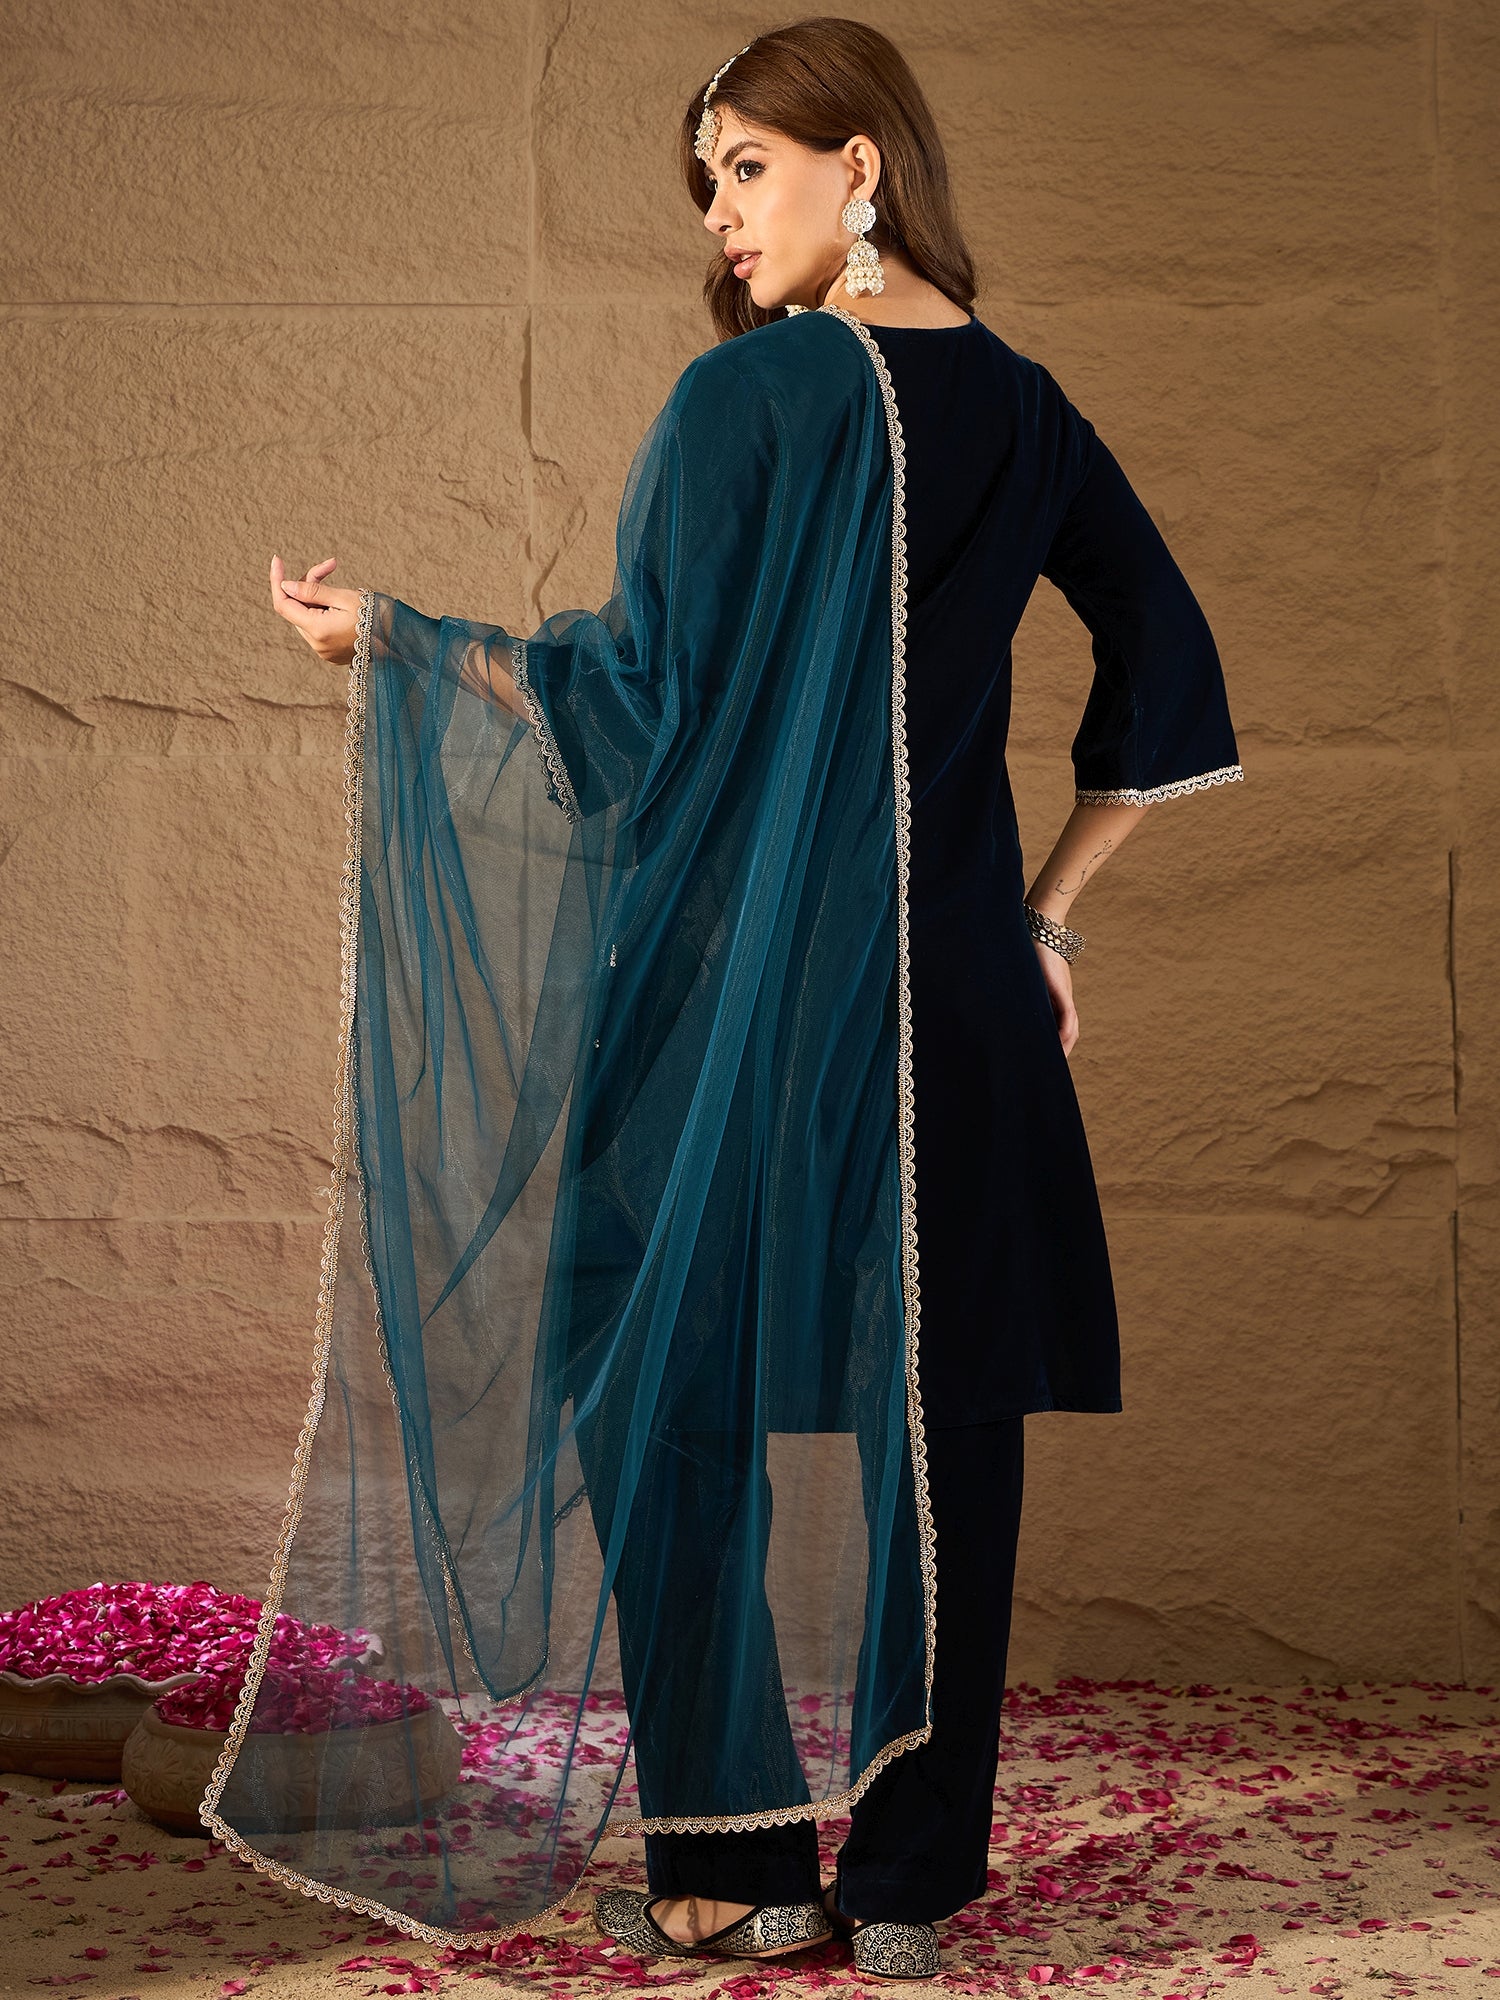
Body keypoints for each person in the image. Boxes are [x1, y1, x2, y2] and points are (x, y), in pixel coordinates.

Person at [206, 18, 1242, 1985]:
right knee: (947, 1407)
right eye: (708, 182)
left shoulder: (747, 399)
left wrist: (399, 641)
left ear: (863, 164)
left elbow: (637, 711)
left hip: (741, 996)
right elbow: (1171, 668)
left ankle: (735, 1861)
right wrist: (1046, 922)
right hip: (956, 992)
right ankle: (915, 1886)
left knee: (649, 1370)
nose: (718, 213)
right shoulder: (1028, 414)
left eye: (746, 166)